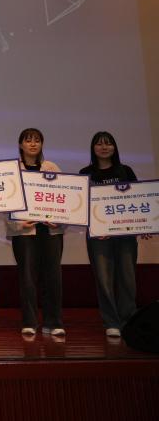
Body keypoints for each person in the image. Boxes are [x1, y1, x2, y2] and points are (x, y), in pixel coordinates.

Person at [80, 131, 142, 338]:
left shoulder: (126, 171)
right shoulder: (85, 173)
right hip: (98, 237)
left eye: (108, 144)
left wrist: (143, 225)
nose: (104, 147)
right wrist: (96, 226)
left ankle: (128, 319)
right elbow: (80, 205)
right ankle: (111, 322)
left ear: (114, 147)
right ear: (93, 148)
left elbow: (139, 200)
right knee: (104, 279)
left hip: (125, 236)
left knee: (127, 278)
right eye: (99, 144)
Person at [7, 128, 65, 337]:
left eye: (37, 140)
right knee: (27, 278)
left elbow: (65, 197)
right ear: (20, 144)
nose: (33, 144)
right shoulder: (13, 170)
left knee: (53, 277)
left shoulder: (52, 168)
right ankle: (30, 321)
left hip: (50, 231)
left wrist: (59, 220)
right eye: (28, 140)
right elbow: (6, 200)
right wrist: (17, 222)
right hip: (25, 231)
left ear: (42, 144)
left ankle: (53, 322)